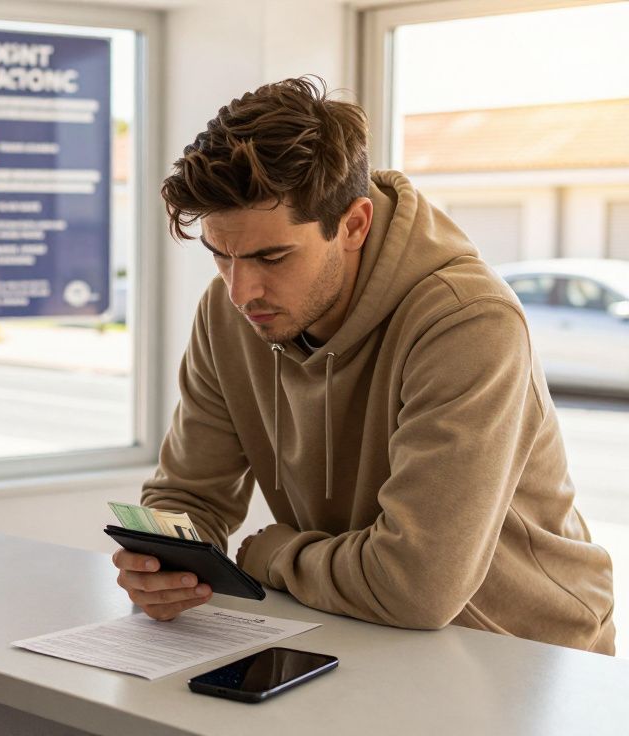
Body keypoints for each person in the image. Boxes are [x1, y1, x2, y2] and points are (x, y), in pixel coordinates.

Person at [112, 76, 615, 653]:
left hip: (524, 650)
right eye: (221, 256)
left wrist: (274, 553)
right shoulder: (231, 315)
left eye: (270, 257)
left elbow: (417, 584)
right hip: (355, 627)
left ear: (354, 224)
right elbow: (189, 498)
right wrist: (161, 564)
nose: (240, 290)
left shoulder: (468, 322)